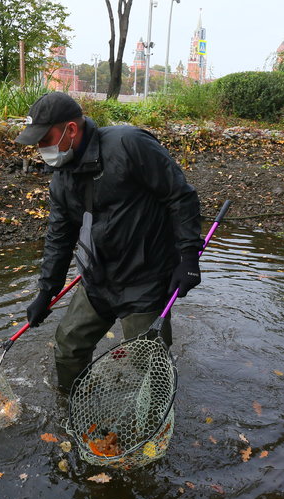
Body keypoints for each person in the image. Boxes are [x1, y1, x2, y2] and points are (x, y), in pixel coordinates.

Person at [14, 92, 203, 391]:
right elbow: (59, 236)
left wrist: (189, 257)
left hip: (145, 279)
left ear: (71, 130)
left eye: (44, 139)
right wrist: (45, 291)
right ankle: (73, 406)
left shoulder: (130, 144)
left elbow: (180, 197)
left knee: (149, 365)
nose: (40, 149)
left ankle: (153, 424)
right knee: (68, 345)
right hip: (96, 279)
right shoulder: (61, 178)